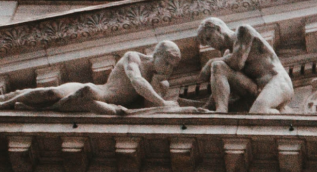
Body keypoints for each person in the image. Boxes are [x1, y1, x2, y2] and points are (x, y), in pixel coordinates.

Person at [0, 42, 181, 114]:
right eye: (166, 62)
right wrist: (163, 103)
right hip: (97, 91)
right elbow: (137, 81)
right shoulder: (133, 57)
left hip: (108, 106)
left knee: (71, 102)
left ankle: (29, 108)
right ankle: (6, 104)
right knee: (52, 91)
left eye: (172, 67)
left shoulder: (159, 81)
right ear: (156, 54)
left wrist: (158, 81)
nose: (168, 69)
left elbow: (148, 112)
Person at [197, 17, 294, 114]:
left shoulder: (243, 31)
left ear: (218, 29)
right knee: (218, 66)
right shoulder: (227, 56)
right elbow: (220, 89)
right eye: (207, 43)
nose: (211, 44)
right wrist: (203, 108)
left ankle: (281, 113)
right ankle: (221, 110)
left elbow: (237, 62)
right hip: (256, 90)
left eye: (209, 38)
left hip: (277, 82)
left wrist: (210, 63)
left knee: (258, 112)